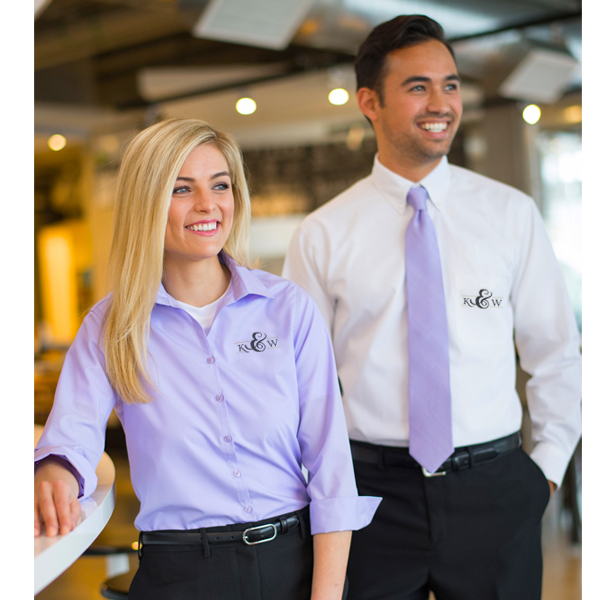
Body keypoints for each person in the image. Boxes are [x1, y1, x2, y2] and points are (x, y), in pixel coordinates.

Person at [282, 14, 581, 600]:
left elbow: (556, 355)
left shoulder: (510, 214)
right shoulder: (321, 235)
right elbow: (298, 386)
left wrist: (543, 471)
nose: (440, 102)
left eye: (450, 84)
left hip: (494, 490)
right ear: (370, 102)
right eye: (418, 87)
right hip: (372, 495)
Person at [34, 118, 380, 600]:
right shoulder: (110, 327)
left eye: (220, 185)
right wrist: (54, 470)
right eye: (181, 188)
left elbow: (331, 469)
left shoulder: (288, 309)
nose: (208, 204)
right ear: (147, 202)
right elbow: (70, 439)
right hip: (178, 576)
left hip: (293, 564)